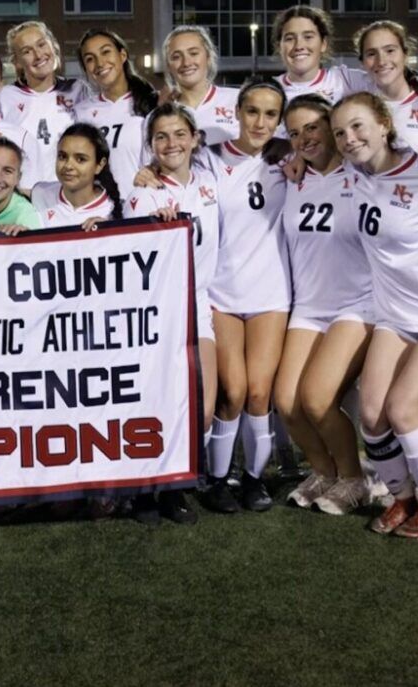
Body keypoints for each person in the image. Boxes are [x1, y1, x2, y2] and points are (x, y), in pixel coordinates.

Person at [332, 91, 418, 539]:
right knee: (371, 415)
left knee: (403, 411)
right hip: (393, 316)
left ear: (384, 124)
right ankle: (402, 497)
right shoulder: (352, 175)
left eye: (358, 126)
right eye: (340, 132)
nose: (349, 139)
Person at [272, 94, 375, 514]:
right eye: (294, 132)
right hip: (309, 305)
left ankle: (354, 479)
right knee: (286, 402)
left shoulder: (364, 174)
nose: (303, 138)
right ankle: (323, 472)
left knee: (316, 398)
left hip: (358, 301)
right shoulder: (291, 177)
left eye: (312, 127)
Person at [124, 102, 221, 525]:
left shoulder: (213, 180)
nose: (171, 143)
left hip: (199, 303)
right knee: (154, 399)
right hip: (155, 309)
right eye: (161, 136)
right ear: (150, 145)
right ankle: (149, 489)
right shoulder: (141, 191)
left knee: (202, 406)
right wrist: (153, 223)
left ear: (195, 138)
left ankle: (179, 482)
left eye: (179, 134)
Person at [200, 77, 292, 514]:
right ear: (236, 111)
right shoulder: (211, 159)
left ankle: (255, 479)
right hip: (222, 289)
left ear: (281, 120)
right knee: (231, 392)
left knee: (260, 393)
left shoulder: (291, 160)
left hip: (271, 291)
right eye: (252, 111)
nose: (259, 122)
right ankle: (218, 479)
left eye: (270, 114)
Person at [272, 5, 418, 107]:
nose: (299, 46)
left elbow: (396, 82)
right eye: (289, 39)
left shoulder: (345, 80)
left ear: (323, 43)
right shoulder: (268, 91)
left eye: (308, 37)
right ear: (279, 46)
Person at [0, 21, 88, 188]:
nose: (38, 55)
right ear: (16, 61)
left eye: (41, 44)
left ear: (53, 46)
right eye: (27, 51)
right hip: (24, 196)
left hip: (69, 195)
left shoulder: (77, 90)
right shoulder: (5, 97)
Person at [355, 20, 418, 169]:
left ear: (405, 54)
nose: (381, 61)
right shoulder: (358, 104)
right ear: (362, 62)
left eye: (390, 50)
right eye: (371, 54)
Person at [74, 28, 158, 194]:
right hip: (102, 211)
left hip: (145, 207)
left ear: (123, 55)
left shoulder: (152, 102)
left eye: (106, 52)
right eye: (90, 59)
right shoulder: (80, 113)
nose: (99, 63)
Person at [31, 122, 121, 229]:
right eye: (62, 157)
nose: (68, 166)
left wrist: (109, 231)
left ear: (100, 165)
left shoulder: (112, 210)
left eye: (80, 159)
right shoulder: (39, 193)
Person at [161, 26, 239, 146]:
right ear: (169, 66)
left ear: (208, 56)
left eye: (193, 53)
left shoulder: (237, 100)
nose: (186, 63)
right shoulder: (159, 115)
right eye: (176, 57)